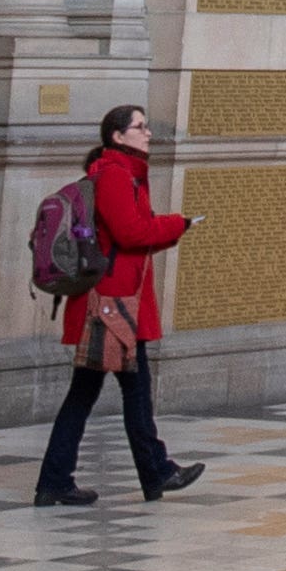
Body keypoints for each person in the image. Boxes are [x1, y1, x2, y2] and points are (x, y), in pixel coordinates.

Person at [35, 101, 198, 508]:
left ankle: (55, 481)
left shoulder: (127, 175)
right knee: (134, 392)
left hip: (117, 301)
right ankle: (156, 472)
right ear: (117, 136)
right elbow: (129, 233)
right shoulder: (114, 175)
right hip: (111, 306)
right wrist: (176, 223)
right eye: (140, 127)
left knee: (89, 393)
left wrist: (172, 230)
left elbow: (136, 236)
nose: (148, 133)